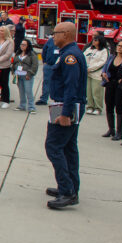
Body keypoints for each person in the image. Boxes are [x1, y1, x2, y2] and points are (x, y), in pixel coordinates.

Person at [44, 21, 87, 210]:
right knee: (68, 148)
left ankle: (67, 191)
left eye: (56, 33)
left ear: (66, 34)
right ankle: (70, 187)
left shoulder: (70, 56)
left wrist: (66, 114)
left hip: (65, 106)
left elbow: (72, 87)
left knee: (53, 146)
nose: (53, 36)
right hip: (63, 104)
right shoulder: (68, 54)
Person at [101, 40, 122, 140]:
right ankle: (111, 129)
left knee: (119, 108)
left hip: (119, 86)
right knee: (109, 106)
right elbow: (105, 68)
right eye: (118, 45)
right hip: (110, 84)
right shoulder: (111, 57)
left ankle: (119, 132)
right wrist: (104, 73)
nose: (119, 47)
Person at [83, 35, 108, 115]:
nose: (93, 41)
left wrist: (91, 68)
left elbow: (102, 62)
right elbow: (83, 57)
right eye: (93, 40)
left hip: (97, 74)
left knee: (96, 92)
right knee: (88, 91)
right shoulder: (89, 49)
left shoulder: (104, 51)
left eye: (96, 40)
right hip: (87, 73)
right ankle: (90, 106)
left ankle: (98, 108)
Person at [13, 39, 39, 113]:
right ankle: (22, 105)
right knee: (21, 91)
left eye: (24, 45)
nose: (22, 46)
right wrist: (13, 71)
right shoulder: (18, 53)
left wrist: (30, 73)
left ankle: (31, 107)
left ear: (28, 46)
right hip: (19, 75)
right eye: (21, 44)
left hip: (27, 76)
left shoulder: (32, 54)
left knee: (28, 91)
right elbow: (14, 63)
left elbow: (35, 65)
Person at [36, 36, 59, 105]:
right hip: (49, 65)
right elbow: (44, 51)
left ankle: (57, 99)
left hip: (59, 66)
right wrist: (45, 62)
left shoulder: (64, 41)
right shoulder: (50, 41)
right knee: (46, 82)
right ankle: (44, 99)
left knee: (58, 83)